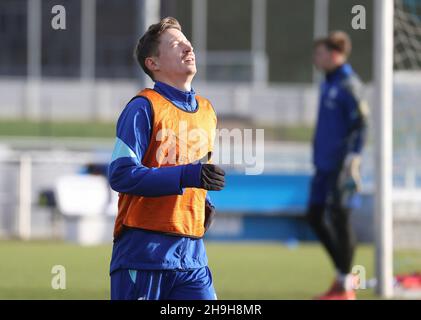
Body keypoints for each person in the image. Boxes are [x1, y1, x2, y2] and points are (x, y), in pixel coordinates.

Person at [107, 17, 225, 300]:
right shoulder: (142, 107)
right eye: (176, 44)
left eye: (187, 42)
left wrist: (202, 203)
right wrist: (187, 177)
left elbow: (191, 171)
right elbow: (121, 174)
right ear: (153, 63)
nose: (188, 47)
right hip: (143, 256)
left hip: (193, 258)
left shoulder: (207, 111)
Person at [308, 31, 369, 300]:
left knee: (341, 218)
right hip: (322, 165)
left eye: (320, 53)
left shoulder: (348, 84)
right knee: (314, 215)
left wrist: (353, 157)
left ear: (334, 54)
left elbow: (362, 123)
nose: (316, 58)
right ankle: (344, 277)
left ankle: (345, 286)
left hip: (341, 166)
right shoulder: (328, 82)